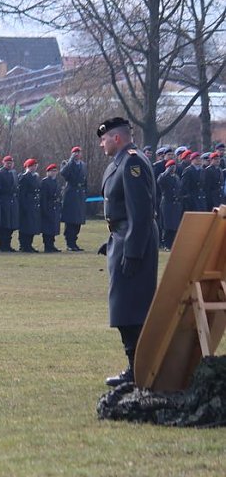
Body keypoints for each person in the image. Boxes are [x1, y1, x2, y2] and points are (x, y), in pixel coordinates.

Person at [97, 116, 158, 387]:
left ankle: (138, 370)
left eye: (104, 139)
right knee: (124, 306)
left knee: (131, 307)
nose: (102, 144)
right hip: (122, 237)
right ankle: (136, 367)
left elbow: (140, 212)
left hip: (133, 241)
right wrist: (113, 238)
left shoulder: (132, 162)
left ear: (117, 138)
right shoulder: (121, 162)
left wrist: (132, 251)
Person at [60, 146, 87, 251]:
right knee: (70, 220)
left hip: (80, 194)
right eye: (75, 153)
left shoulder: (83, 165)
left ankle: (74, 242)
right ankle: (69, 243)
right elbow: (63, 173)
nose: (78, 154)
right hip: (71, 194)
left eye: (79, 152)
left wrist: (85, 193)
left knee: (78, 221)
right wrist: (71, 161)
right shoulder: (67, 163)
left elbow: (85, 180)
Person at [157, 159, 181, 250]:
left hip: (175, 204)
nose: (173, 169)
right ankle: (166, 244)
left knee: (175, 225)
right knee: (167, 225)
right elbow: (160, 181)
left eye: (174, 167)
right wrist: (166, 172)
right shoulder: (163, 176)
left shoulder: (176, 177)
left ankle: (172, 244)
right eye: (171, 167)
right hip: (167, 203)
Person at [0, 155, 19, 252]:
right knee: (5, 224)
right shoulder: (0, 173)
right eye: (7, 163)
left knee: (11, 225)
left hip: (12, 201)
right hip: (4, 200)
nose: (9, 165)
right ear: (4, 163)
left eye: (11, 163)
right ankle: (3, 245)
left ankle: (8, 244)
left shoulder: (14, 173)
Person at [40, 163, 61, 253]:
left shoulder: (56, 181)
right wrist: (44, 209)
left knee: (53, 227)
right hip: (48, 206)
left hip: (55, 207)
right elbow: (43, 197)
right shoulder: (45, 182)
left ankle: (52, 245)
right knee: (47, 228)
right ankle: (47, 246)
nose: (54, 173)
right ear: (48, 172)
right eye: (52, 171)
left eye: (55, 171)